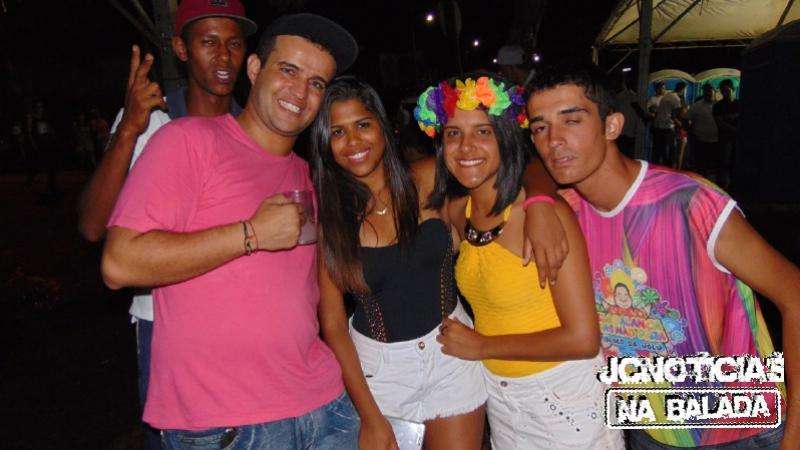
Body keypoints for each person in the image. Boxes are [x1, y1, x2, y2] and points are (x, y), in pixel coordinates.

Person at [101, 13, 361, 449]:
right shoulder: (188, 141)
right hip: (232, 427)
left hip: (325, 409)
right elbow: (119, 262)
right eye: (289, 70)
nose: (300, 92)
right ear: (255, 68)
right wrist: (250, 234)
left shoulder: (308, 174)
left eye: (316, 83)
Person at [526, 61, 799, 449]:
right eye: (540, 127)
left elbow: (794, 295)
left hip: (739, 428)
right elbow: (523, 171)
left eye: (572, 120)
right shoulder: (563, 212)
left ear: (612, 126)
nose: (553, 140)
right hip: (646, 425)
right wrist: (537, 200)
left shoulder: (689, 201)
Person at [311, 77, 567, 449]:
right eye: (338, 132)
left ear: (383, 126)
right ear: (325, 142)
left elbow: (519, 165)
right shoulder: (330, 217)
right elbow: (333, 326)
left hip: (451, 353)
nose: (353, 141)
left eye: (363, 124)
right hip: (378, 373)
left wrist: (540, 203)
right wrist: (369, 416)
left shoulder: (428, 177)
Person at [78, 1, 255, 447]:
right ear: (180, 48)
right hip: (164, 328)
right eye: (208, 42)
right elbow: (92, 226)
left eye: (234, 43)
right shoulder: (152, 121)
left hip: (240, 323)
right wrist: (128, 129)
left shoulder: (255, 129)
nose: (223, 56)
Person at [413, 73, 623, 449]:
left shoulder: (543, 214)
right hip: (501, 398)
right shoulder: (460, 211)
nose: (465, 146)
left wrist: (483, 346)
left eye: (483, 132)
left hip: (564, 395)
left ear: (505, 139)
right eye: (453, 134)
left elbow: (582, 339)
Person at [686, 84, 719, 177]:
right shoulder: (697, 106)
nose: (708, 93)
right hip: (700, 141)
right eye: (706, 91)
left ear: (714, 91)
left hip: (716, 140)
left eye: (710, 90)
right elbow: (686, 119)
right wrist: (690, 131)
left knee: (712, 165)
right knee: (700, 165)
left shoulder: (719, 105)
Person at [648, 81, 681, 167]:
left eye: (663, 88)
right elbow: (649, 110)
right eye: (660, 88)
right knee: (658, 149)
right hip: (658, 126)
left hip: (668, 126)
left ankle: (667, 166)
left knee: (668, 149)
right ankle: (656, 166)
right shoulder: (653, 99)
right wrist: (653, 113)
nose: (662, 90)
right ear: (656, 89)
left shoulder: (668, 97)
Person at [713, 79, 739, 189]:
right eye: (722, 91)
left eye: (727, 90)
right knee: (724, 162)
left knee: (735, 162)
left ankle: (733, 185)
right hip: (725, 139)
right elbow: (719, 123)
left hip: (736, 139)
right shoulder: (718, 106)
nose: (725, 93)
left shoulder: (739, 104)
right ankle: (721, 186)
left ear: (733, 89)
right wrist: (735, 130)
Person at [613, 74, 638, 157]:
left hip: (622, 130)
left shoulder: (619, 96)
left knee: (621, 152)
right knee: (628, 153)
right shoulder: (635, 97)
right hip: (630, 130)